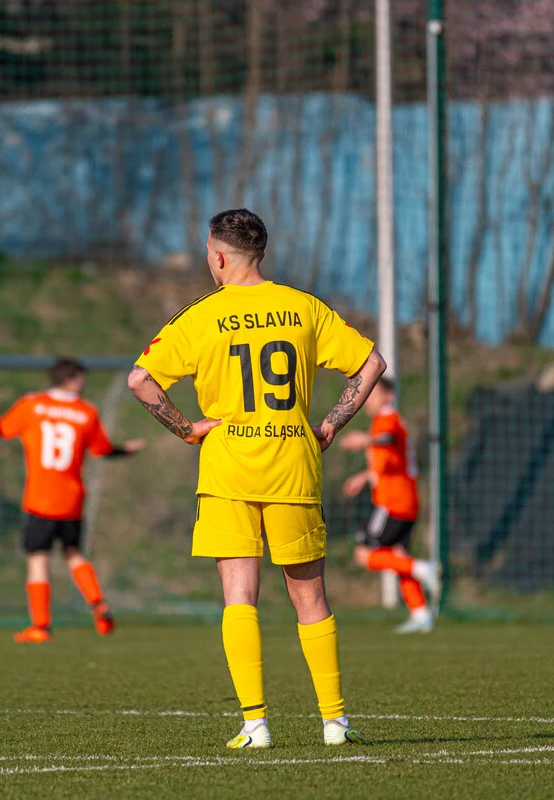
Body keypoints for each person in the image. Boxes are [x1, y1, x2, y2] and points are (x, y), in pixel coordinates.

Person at [129, 208, 386, 749]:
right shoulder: (302, 307)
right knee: (310, 597)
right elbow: (372, 365)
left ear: (218, 256)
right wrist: (332, 423)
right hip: (294, 462)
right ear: (260, 253)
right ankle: (335, 723)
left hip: (227, 468)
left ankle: (255, 724)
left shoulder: (202, 315)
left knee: (239, 597)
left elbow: (141, 381)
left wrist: (187, 429)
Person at [0, 357, 145, 643]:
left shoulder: (32, 405)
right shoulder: (86, 412)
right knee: (73, 554)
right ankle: (98, 603)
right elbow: (102, 450)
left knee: (38, 559)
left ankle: (41, 626)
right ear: (72, 380)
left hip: (40, 499)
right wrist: (126, 450)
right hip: (72, 499)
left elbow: (1, 429)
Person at [338, 377, 441, 634]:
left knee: (363, 554)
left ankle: (423, 568)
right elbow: (388, 460)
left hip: (391, 502)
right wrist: (363, 477)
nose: (366, 401)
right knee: (397, 556)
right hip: (406, 500)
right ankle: (420, 614)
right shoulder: (386, 421)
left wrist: (364, 440)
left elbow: (385, 439)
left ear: (387, 396)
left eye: (371, 395)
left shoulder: (387, 418)